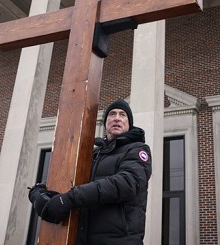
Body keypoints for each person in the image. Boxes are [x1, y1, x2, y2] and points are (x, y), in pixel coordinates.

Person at [28, 99, 152, 244]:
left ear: (129, 123)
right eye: (112, 114)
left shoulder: (138, 149)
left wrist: (70, 198)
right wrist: (37, 194)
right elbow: (61, 177)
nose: (117, 118)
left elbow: (126, 183)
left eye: (122, 114)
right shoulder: (93, 154)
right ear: (106, 123)